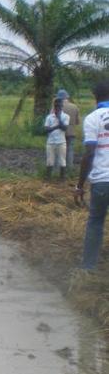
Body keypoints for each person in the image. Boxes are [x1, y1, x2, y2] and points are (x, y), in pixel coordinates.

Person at [73, 80, 109, 270]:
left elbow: (89, 153)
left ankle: (88, 268)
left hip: (102, 181)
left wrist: (80, 185)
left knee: (96, 222)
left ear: (95, 97)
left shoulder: (93, 118)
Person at [44, 98, 70, 180]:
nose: (57, 108)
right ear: (54, 106)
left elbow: (65, 128)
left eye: (59, 106)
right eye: (56, 106)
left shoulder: (66, 116)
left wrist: (59, 118)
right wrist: (57, 126)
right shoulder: (49, 117)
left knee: (62, 161)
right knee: (49, 161)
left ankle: (62, 178)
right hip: (50, 142)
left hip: (61, 142)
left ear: (62, 107)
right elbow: (46, 129)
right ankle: (48, 178)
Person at [56, 89, 81, 170]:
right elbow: (77, 122)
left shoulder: (56, 107)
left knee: (59, 150)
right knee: (70, 150)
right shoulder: (74, 106)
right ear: (67, 97)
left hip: (60, 132)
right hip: (71, 132)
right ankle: (70, 168)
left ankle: (58, 168)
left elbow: (52, 119)